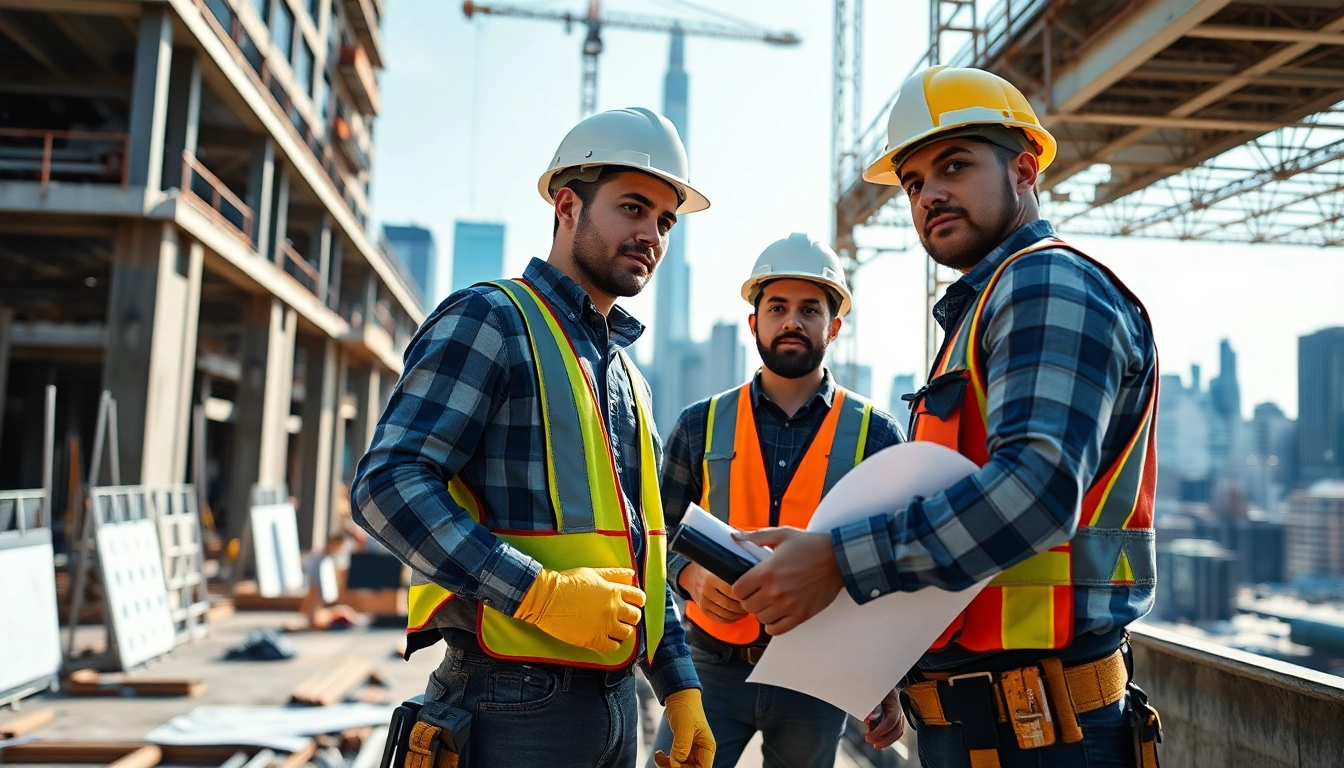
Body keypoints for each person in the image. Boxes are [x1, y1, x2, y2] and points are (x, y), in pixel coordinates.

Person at [732, 66, 1162, 768]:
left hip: (1044, 734)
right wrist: (891, 657)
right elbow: (964, 530)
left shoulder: (1046, 282)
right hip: (994, 726)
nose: (929, 193)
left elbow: (1037, 493)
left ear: (1024, 170)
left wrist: (839, 562)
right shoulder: (989, 307)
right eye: (913, 182)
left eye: (954, 166)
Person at [352, 107, 714, 768]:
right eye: (633, 208)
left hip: (615, 702)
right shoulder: (491, 317)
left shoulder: (627, 377)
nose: (652, 235)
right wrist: (537, 593)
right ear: (568, 206)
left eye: (665, 220)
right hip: (508, 700)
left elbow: (643, 550)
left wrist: (679, 684)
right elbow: (386, 486)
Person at [650, 234, 907, 768]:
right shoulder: (700, 424)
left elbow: (899, 561)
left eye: (810, 309)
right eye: (777, 308)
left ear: (833, 327)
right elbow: (652, 532)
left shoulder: (876, 435)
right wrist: (688, 577)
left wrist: (887, 675)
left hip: (819, 675)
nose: (792, 320)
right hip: (710, 669)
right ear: (754, 324)